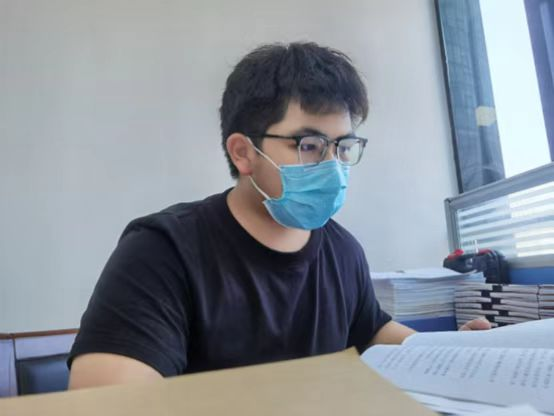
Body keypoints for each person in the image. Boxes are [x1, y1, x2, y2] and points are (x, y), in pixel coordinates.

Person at [68, 42, 490, 389]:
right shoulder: (163, 250)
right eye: (309, 145)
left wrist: (450, 353)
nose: (332, 166)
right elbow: (106, 399)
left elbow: (370, 331)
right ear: (243, 153)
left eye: (343, 146)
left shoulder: (343, 251)